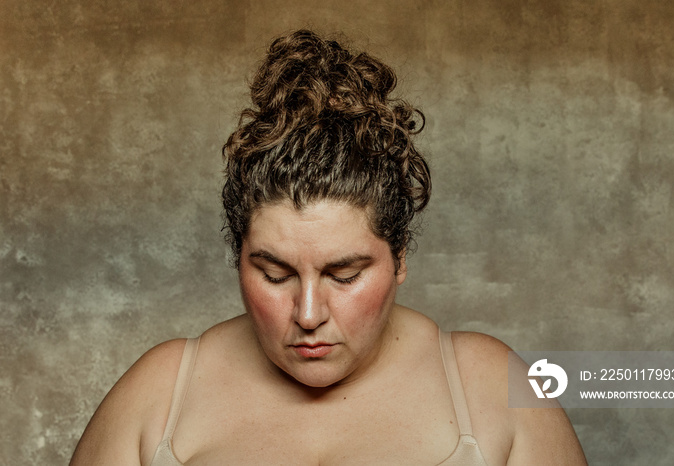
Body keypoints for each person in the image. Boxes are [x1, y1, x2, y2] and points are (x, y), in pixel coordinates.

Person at [70, 30, 587, 465]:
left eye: (344, 275)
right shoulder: (157, 396)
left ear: (400, 255)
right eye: (275, 275)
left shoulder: (500, 391)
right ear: (238, 257)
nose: (309, 314)